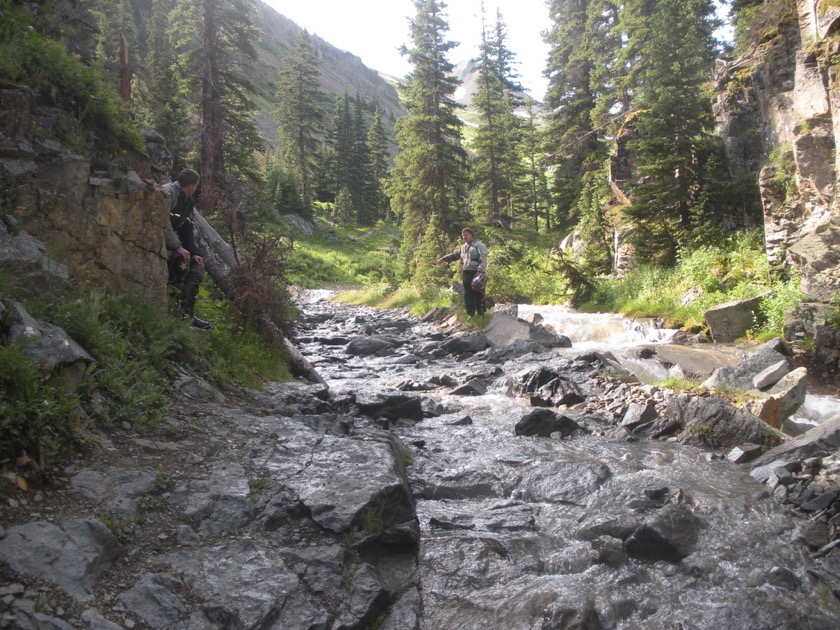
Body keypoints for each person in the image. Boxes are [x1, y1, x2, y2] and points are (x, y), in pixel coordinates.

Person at [161, 169, 211, 329]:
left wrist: (194, 252)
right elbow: (164, 223)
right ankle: (172, 309)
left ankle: (187, 312)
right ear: (190, 185)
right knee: (180, 262)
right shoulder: (168, 193)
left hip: (176, 243)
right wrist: (177, 247)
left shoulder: (188, 201)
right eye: (195, 186)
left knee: (196, 267)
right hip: (162, 241)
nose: (196, 189)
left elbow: (186, 227)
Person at [437, 227, 488, 317]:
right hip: (466, 272)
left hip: (477, 273)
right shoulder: (463, 247)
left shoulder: (479, 245)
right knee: (468, 294)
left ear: (471, 235)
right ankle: (470, 314)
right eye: (463, 235)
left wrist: (480, 270)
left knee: (479, 293)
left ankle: (481, 314)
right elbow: (455, 255)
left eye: (466, 235)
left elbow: (483, 259)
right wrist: (444, 258)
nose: (464, 237)